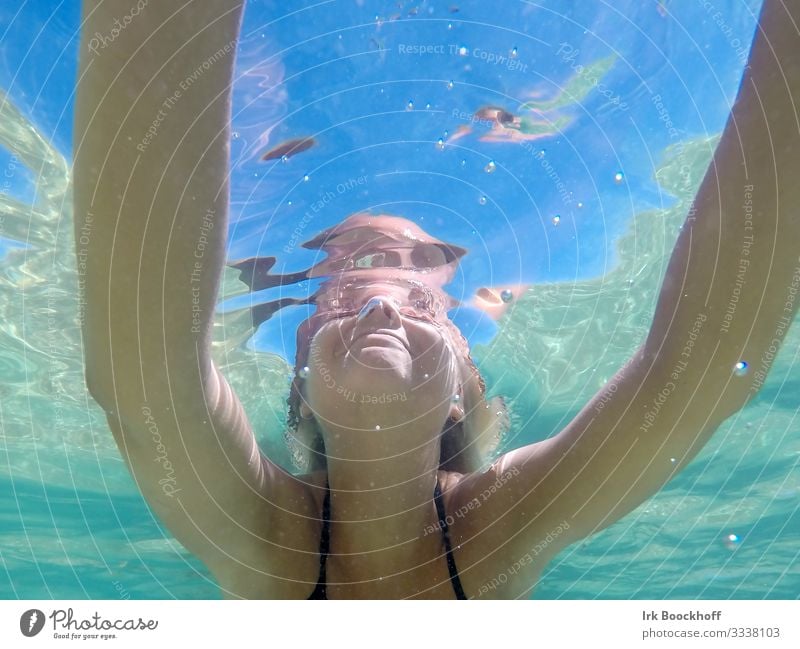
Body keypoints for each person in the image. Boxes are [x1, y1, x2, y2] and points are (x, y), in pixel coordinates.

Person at [72, 0, 800, 599]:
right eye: (342, 300)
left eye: (422, 305)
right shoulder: (483, 539)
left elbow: (142, 374)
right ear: (304, 395)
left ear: (461, 391)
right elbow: (703, 372)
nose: (382, 307)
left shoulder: (278, 544)